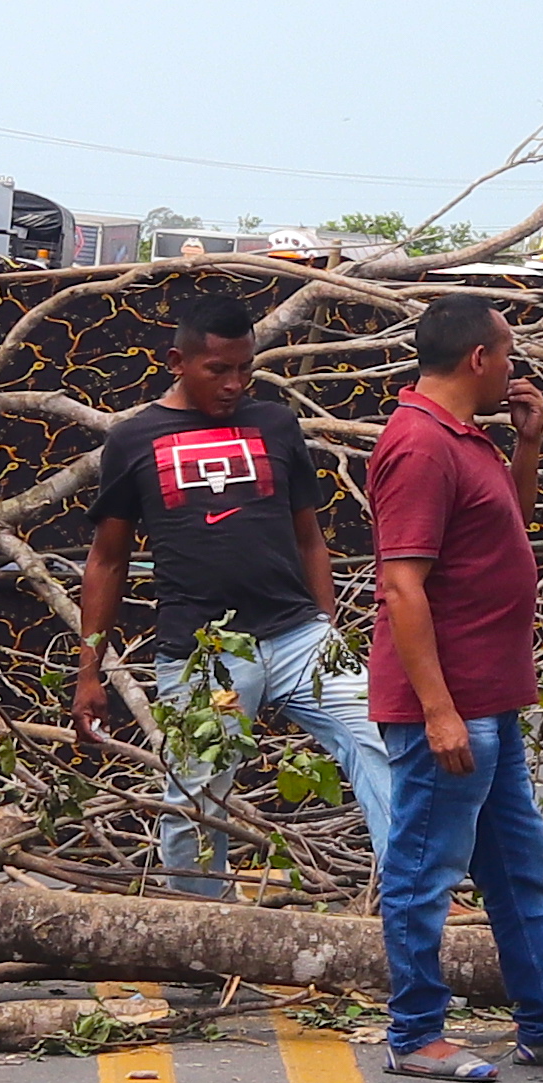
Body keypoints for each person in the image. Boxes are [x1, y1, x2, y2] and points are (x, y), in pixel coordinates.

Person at [363, 293, 543, 1083]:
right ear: (479, 359)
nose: (515, 367)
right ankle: (414, 1034)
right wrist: (439, 712)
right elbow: (402, 589)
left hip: (492, 698)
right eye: (508, 353)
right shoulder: (417, 445)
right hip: (447, 709)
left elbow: (509, 525)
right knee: (424, 871)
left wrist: (528, 444)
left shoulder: (465, 437)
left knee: (517, 865)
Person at [68, 281, 374, 893]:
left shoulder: (276, 423)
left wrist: (325, 625)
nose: (235, 384)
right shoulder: (134, 438)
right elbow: (107, 561)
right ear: (177, 362)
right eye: (218, 371)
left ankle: (409, 904)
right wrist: (88, 670)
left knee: (387, 742)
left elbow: (310, 538)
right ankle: (202, 942)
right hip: (204, 651)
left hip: (299, 636)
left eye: (245, 369)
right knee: (197, 803)